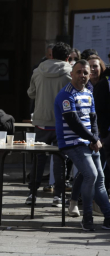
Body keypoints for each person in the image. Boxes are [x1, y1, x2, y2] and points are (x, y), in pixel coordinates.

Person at [54, 59, 110, 231]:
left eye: (85, 73)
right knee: (91, 175)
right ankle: (87, 218)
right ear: (71, 74)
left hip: (88, 142)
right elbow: (74, 123)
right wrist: (94, 139)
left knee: (100, 180)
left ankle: (108, 218)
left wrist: (95, 138)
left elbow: (93, 119)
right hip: (71, 143)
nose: (82, 76)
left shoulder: (88, 93)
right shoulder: (66, 94)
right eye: (78, 72)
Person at [26, 42, 71, 207]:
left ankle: (32, 194)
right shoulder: (70, 73)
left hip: (41, 122)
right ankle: (58, 196)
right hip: (61, 123)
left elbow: (31, 93)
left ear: (51, 55)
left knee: (38, 160)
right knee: (60, 160)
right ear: (67, 57)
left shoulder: (38, 71)